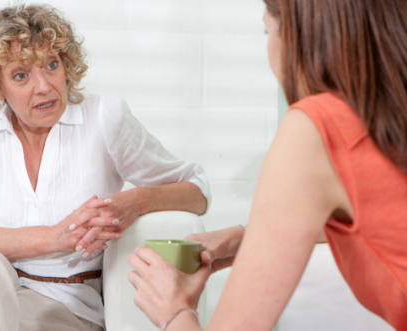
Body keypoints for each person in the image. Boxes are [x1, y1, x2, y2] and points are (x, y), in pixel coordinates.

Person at [0, 4, 210, 331]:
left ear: (66, 63)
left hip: (59, 309)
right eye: (21, 75)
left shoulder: (104, 117)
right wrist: (58, 236)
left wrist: (138, 201)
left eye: (51, 65)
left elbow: (197, 189)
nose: (44, 86)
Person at [127, 0, 407, 330]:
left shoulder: (317, 127)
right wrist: (250, 237)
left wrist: (173, 310)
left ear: (299, 36)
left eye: (267, 31)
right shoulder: (386, 123)